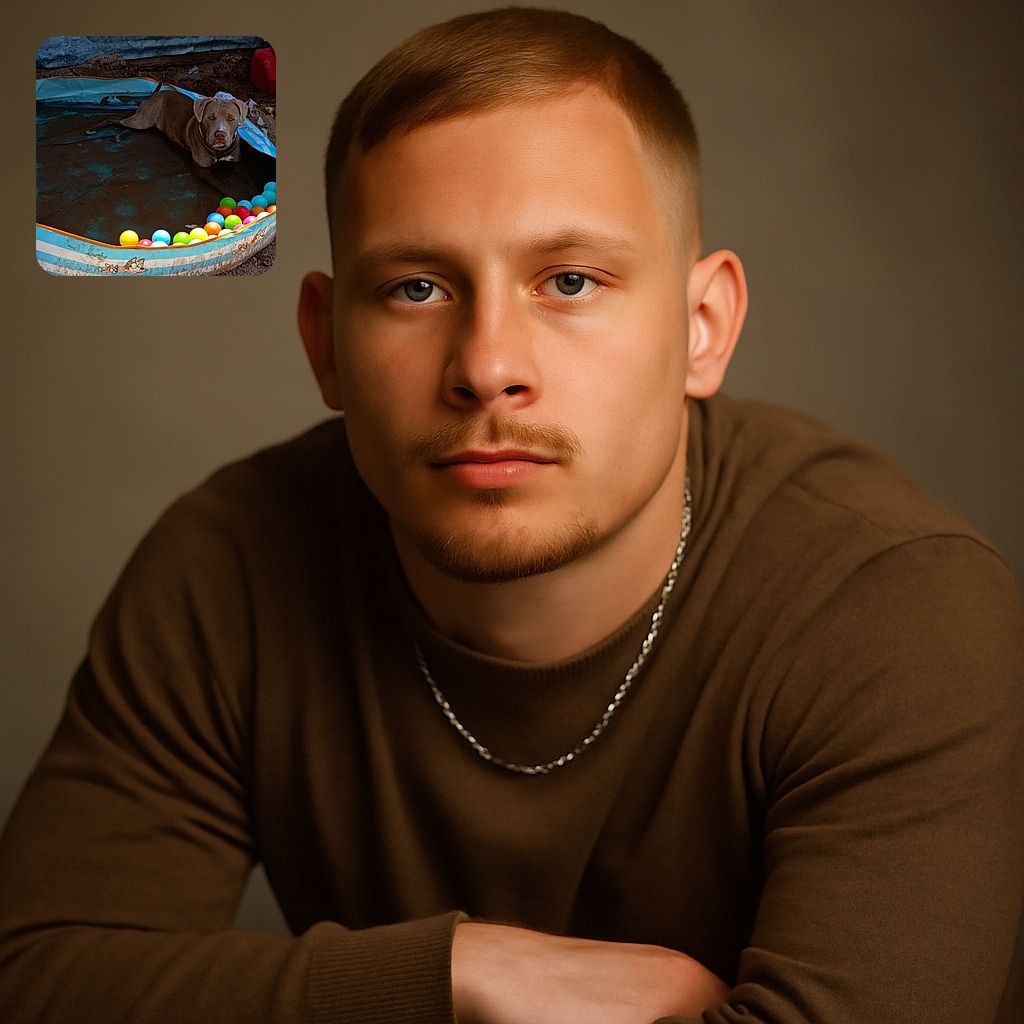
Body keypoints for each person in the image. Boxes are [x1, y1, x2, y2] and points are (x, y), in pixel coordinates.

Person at [1, 8, 1021, 1023]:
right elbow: (39, 979)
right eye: (416, 287)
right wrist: (456, 975)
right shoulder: (227, 567)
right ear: (327, 348)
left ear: (702, 329)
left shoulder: (900, 608)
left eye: (569, 280)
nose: (487, 365)